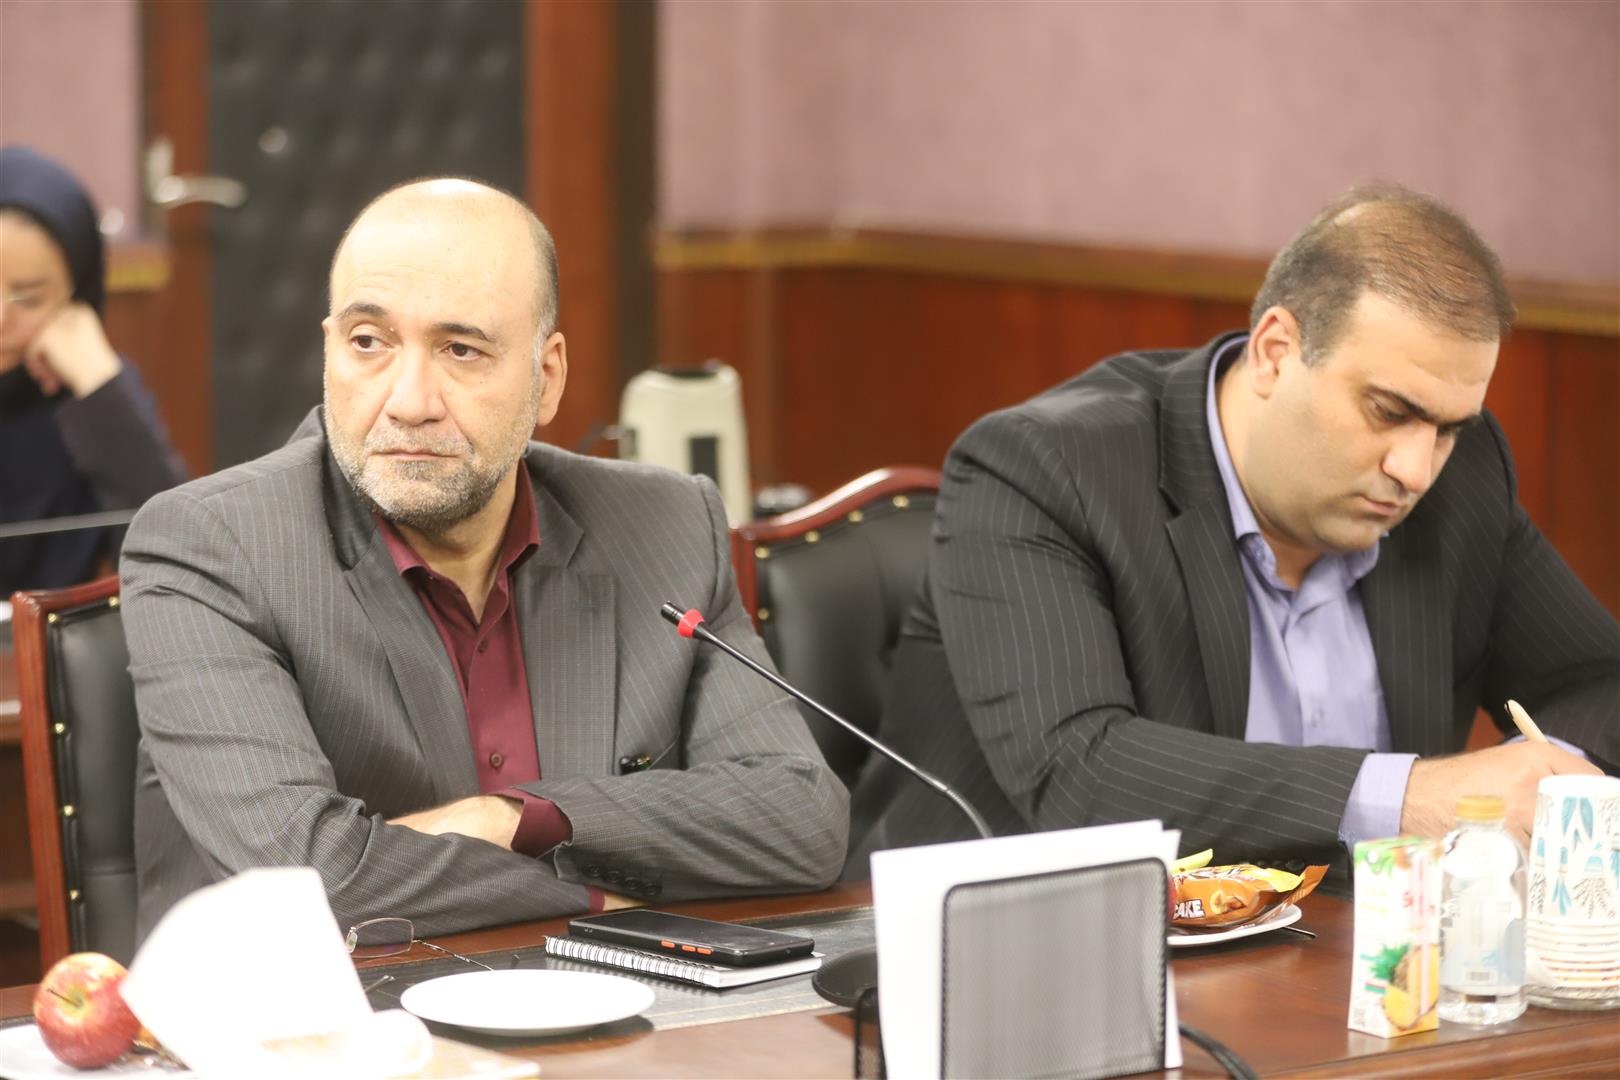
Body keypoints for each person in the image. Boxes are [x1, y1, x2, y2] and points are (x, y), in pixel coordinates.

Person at [122, 178, 848, 941]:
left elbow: (802, 820)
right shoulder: (211, 547)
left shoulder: (664, 526)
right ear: (329, 350)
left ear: (547, 378)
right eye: (369, 342)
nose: (409, 401)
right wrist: (597, 893)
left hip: (608, 1005)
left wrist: (510, 819)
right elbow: (309, 883)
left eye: (460, 350)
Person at [850, 185, 1618, 876]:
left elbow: (1598, 681)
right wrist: (1412, 797)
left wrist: (1543, 786)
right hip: (995, 951)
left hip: (1343, 958)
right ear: (1276, 353)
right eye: (1389, 412)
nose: (1416, 469)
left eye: (1448, 428)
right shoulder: (1043, 470)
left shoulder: (1463, 477)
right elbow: (1080, 772)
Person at [0, 146, 186, 594]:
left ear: (77, 292)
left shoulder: (94, 393)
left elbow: (177, 548)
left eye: (28, 298)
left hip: (40, 638)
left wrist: (99, 386)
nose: (1, 318)